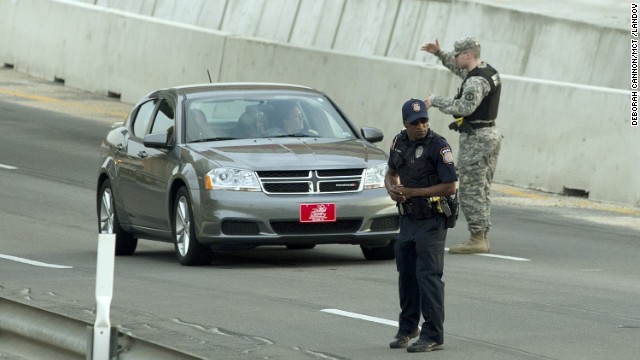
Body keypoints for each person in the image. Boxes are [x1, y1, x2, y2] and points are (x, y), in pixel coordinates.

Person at [385, 98, 457, 353]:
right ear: (405, 123)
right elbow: (390, 174)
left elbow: (450, 185)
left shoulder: (438, 146)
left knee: (428, 276)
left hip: (432, 219)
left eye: (424, 120)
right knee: (406, 275)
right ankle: (407, 328)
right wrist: (392, 190)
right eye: (415, 122)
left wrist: (415, 192)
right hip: (408, 219)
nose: (421, 126)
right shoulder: (399, 142)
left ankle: (434, 334)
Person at [421, 37, 502, 254]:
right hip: (488, 135)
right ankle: (481, 234)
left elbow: (465, 107)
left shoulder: (476, 81)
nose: (454, 58)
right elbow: (459, 69)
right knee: (482, 188)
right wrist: (439, 53)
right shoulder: (487, 71)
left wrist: (435, 100)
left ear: (467, 55)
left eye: (457, 54)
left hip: (477, 140)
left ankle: (477, 237)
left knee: (471, 190)